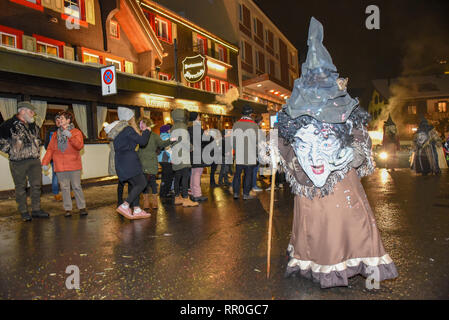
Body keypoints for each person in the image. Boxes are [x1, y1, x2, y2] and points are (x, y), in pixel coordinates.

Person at [268, 17, 398, 288]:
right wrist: (274, 143)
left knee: (342, 219)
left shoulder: (344, 109)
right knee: (317, 221)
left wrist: (352, 155)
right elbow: (285, 144)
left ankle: (343, 261)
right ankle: (319, 262)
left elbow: (361, 141)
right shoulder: (296, 111)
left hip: (340, 180)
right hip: (310, 182)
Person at [0, 101, 49, 222]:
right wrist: (12, 151)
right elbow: (1, 142)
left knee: (36, 186)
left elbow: (38, 139)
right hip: (18, 162)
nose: (33, 114)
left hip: (34, 160)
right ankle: (23, 211)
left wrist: (37, 147)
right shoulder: (8, 125)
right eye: (31, 111)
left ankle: (36, 209)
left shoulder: (33, 125)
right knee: (20, 187)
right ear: (22, 111)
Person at [42, 111, 87, 217]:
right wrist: (45, 162)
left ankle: (82, 207)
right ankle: (68, 209)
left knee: (76, 186)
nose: (59, 120)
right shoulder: (55, 135)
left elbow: (79, 146)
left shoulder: (76, 132)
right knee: (65, 188)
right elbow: (50, 149)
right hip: (60, 165)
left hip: (74, 165)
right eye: (58, 118)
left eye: (62, 118)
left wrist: (70, 136)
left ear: (68, 120)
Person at [114, 107, 151, 219]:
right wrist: (147, 131)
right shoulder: (128, 129)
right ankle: (125, 205)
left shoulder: (119, 131)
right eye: (133, 117)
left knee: (134, 184)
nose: (134, 119)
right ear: (129, 118)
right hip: (129, 162)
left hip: (121, 162)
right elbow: (143, 142)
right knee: (142, 183)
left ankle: (137, 209)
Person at [138, 117, 172, 211]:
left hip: (151, 161)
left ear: (148, 124)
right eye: (140, 123)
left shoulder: (154, 135)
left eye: (143, 123)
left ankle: (155, 203)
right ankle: (146, 203)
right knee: (144, 183)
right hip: (141, 162)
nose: (141, 125)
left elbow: (162, 144)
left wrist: (171, 140)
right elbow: (137, 149)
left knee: (152, 182)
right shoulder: (139, 135)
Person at [170, 108, 198, 207]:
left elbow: (172, 141)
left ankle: (177, 197)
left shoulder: (173, 127)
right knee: (185, 177)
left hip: (176, 155)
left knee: (177, 176)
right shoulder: (182, 126)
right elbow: (184, 141)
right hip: (183, 155)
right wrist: (191, 147)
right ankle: (186, 198)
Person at [232, 105, 259, 200]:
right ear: (250, 114)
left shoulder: (236, 124)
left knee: (237, 174)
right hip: (250, 154)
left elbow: (233, 141)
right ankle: (246, 194)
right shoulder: (254, 125)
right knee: (248, 174)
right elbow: (257, 142)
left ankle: (236, 193)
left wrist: (235, 152)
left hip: (239, 154)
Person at [105, 118, 131, 208]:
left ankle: (120, 201)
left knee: (121, 181)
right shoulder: (119, 136)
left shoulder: (112, 136)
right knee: (129, 180)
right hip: (124, 158)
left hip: (119, 160)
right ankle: (130, 200)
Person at [188, 112, 209, 202]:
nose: (200, 117)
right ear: (196, 117)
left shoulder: (188, 128)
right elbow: (204, 140)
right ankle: (197, 194)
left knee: (193, 173)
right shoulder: (197, 128)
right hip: (198, 154)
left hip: (191, 154)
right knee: (197, 173)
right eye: (199, 116)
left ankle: (192, 192)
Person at [44, 114, 62, 201]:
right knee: (56, 175)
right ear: (55, 122)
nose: (59, 122)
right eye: (57, 120)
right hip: (54, 157)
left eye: (60, 120)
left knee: (68, 175)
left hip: (65, 158)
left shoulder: (68, 130)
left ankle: (69, 191)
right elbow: (46, 145)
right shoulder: (51, 131)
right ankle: (56, 193)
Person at [158, 124, 175, 198]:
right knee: (167, 176)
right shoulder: (166, 137)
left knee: (167, 176)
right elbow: (168, 149)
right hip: (165, 159)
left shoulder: (161, 136)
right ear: (167, 130)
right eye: (169, 129)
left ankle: (165, 192)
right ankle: (164, 192)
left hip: (163, 159)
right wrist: (172, 158)